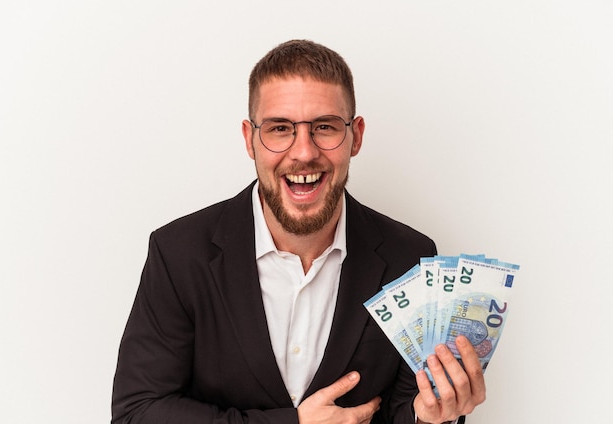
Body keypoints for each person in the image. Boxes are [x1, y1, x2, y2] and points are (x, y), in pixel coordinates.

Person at [111, 39, 486, 424]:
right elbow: (137, 412)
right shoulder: (179, 255)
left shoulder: (409, 257)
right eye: (280, 128)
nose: (304, 152)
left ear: (356, 136)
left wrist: (426, 416)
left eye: (324, 127)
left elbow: (401, 409)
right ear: (250, 139)